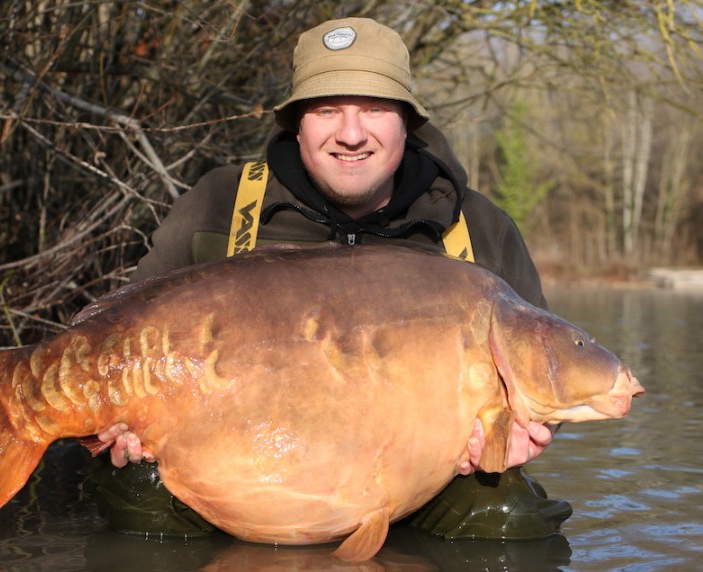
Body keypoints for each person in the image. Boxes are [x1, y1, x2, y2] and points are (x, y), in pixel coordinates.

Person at [83, 16, 572, 540]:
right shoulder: (221, 205)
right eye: (327, 110)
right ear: (296, 124)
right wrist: (111, 415)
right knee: (137, 494)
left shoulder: (476, 228)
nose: (352, 134)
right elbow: (118, 338)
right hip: (231, 474)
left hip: (420, 480)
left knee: (507, 521)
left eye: (376, 109)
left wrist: (526, 432)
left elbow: (544, 370)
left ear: (407, 123)